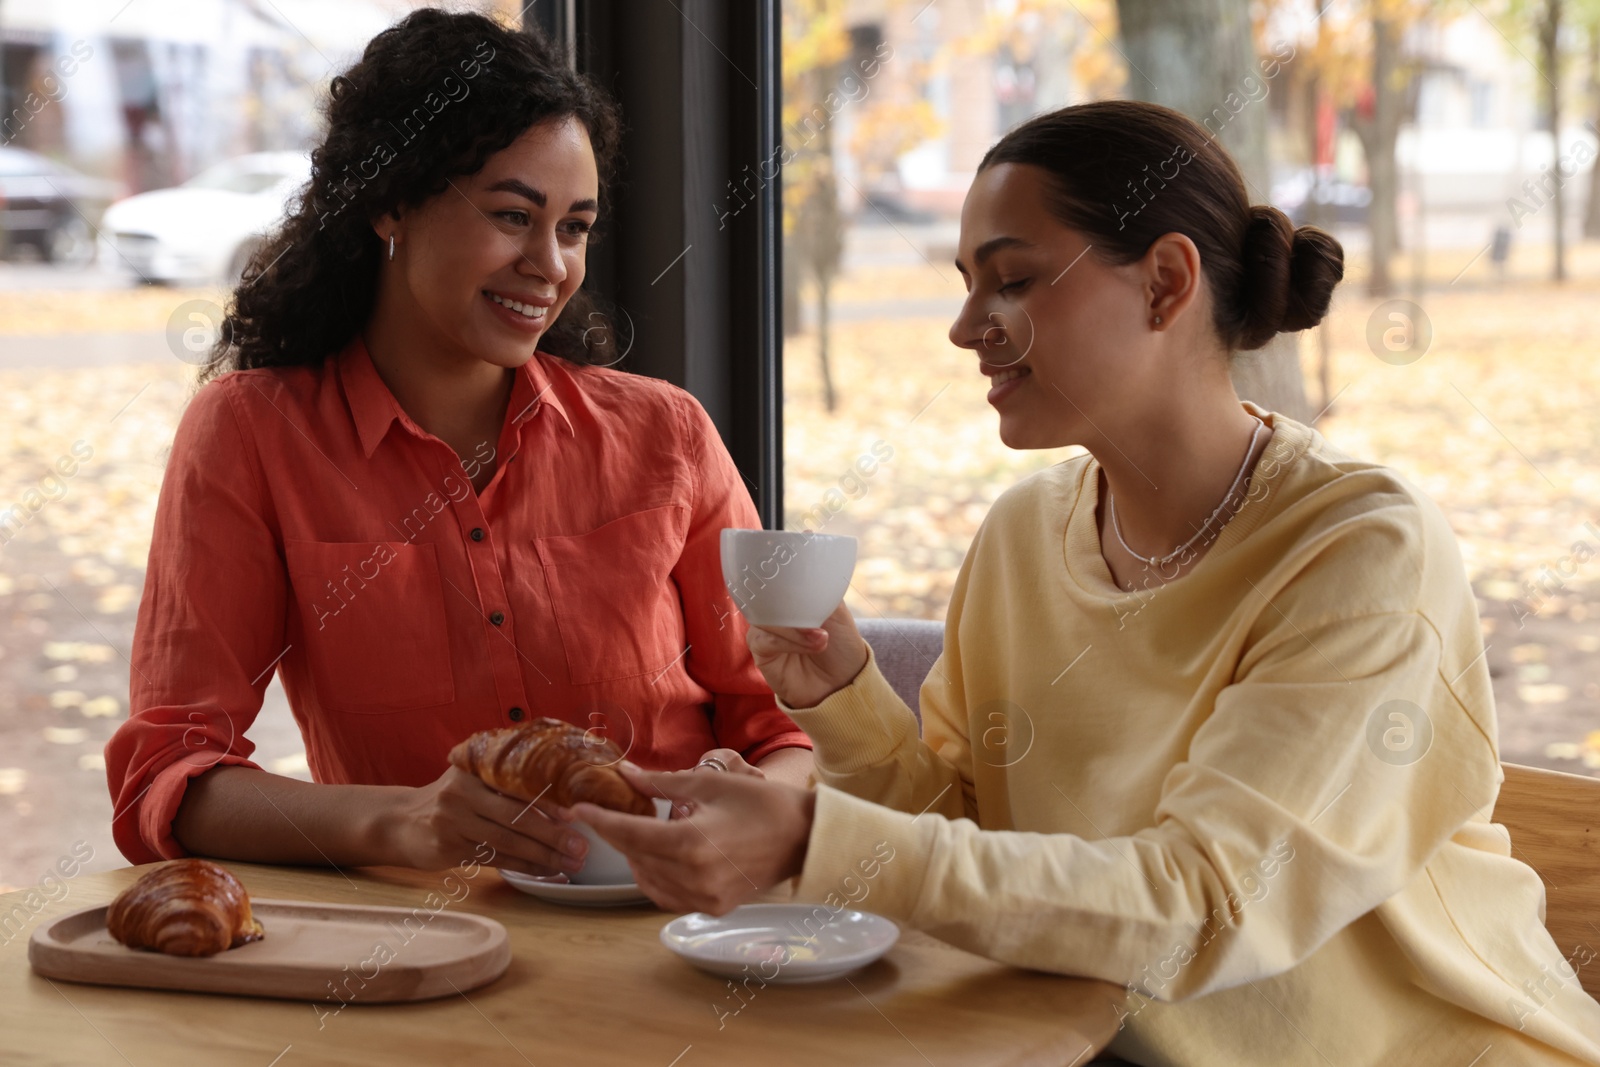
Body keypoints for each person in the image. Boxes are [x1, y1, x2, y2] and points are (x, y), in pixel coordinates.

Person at [574, 101, 1600, 1065]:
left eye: (1011, 280)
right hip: (1094, 1038)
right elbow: (973, 847)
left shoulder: (1359, 551)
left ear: (1164, 282)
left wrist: (814, 833)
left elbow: (1206, 903)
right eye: (966, 282)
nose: (965, 325)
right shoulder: (1026, 531)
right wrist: (837, 699)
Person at [105, 10, 811, 880]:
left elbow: (785, 728)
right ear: (390, 203)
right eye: (515, 215)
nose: (550, 264)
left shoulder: (666, 434)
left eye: (575, 227)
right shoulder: (252, 435)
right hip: (423, 955)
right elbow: (170, 777)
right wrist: (404, 823)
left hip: (682, 933)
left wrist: (763, 814)